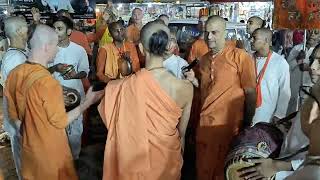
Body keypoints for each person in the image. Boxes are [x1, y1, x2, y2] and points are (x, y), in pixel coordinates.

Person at [4, 24, 103, 180]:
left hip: (29, 152)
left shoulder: (14, 74)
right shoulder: (48, 83)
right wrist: (87, 102)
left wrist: (31, 129)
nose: (57, 50)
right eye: (55, 45)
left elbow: (13, 115)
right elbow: (60, 122)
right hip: (50, 156)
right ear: (46, 47)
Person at [98, 20, 193, 180]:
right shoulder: (185, 88)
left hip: (133, 165)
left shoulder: (121, 86)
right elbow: (181, 133)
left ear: (141, 48)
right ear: (168, 47)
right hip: (167, 163)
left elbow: (112, 123)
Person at [237, 44, 320, 180]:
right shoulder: (315, 95)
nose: (312, 66)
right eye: (312, 60)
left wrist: (277, 166)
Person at [196, 15, 256, 180]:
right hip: (205, 125)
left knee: (224, 172)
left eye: (214, 32)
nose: (209, 37)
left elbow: (250, 93)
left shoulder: (240, 57)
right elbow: (207, 89)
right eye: (206, 32)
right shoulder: (204, 60)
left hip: (229, 127)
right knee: (203, 170)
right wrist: (193, 81)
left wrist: (247, 122)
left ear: (224, 33)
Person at [51, 16, 90, 160]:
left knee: (75, 129)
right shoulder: (49, 49)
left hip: (75, 95)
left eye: (59, 29)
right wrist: (55, 67)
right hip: (54, 96)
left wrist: (75, 75)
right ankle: (60, 161)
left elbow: (85, 71)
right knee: (57, 130)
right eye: (54, 28)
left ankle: (74, 160)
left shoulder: (79, 50)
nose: (55, 32)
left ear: (69, 31)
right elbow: (40, 71)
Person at [0, 16, 28, 180]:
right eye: (25, 26)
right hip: (20, 121)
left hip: (20, 121)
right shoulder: (15, 59)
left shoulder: (19, 54)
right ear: (18, 31)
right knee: (25, 163)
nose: (28, 28)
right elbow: (17, 96)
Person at [251, 28, 291, 125]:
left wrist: (279, 115)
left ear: (266, 40)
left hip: (267, 116)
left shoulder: (279, 62)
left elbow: (284, 91)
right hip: (246, 113)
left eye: (254, 38)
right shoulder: (247, 58)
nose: (251, 41)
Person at [286, 29, 320, 115]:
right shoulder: (297, 48)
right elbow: (286, 67)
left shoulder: (318, 51)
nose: (312, 35)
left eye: (316, 33)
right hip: (294, 88)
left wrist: (308, 68)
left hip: (309, 89)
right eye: (310, 32)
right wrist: (297, 60)